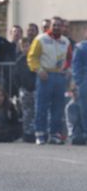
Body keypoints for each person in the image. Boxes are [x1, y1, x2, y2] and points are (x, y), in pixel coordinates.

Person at [27, 16, 73, 145]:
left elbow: (70, 58)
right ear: (50, 26)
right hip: (45, 76)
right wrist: (39, 70)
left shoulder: (66, 41)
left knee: (58, 107)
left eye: (59, 25)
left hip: (59, 76)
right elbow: (32, 57)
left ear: (62, 27)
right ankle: (40, 134)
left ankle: (55, 134)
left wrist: (67, 69)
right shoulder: (40, 39)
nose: (57, 27)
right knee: (42, 106)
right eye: (55, 25)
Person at [13, 38, 37, 142]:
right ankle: (27, 133)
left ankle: (37, 131)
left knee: (37, 111)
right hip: (25, 89)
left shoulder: (35, 59)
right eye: (23, 46)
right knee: (27, 112)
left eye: (27, 45)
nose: (26, 48)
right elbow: (16, 76)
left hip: (35, 89)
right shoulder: (19, 61)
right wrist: (20, 87)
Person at [71, 39, 87, 144]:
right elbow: (76, 67)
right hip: (84, 83)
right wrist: (79, 83)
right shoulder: (81, 47)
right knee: (84, 110)